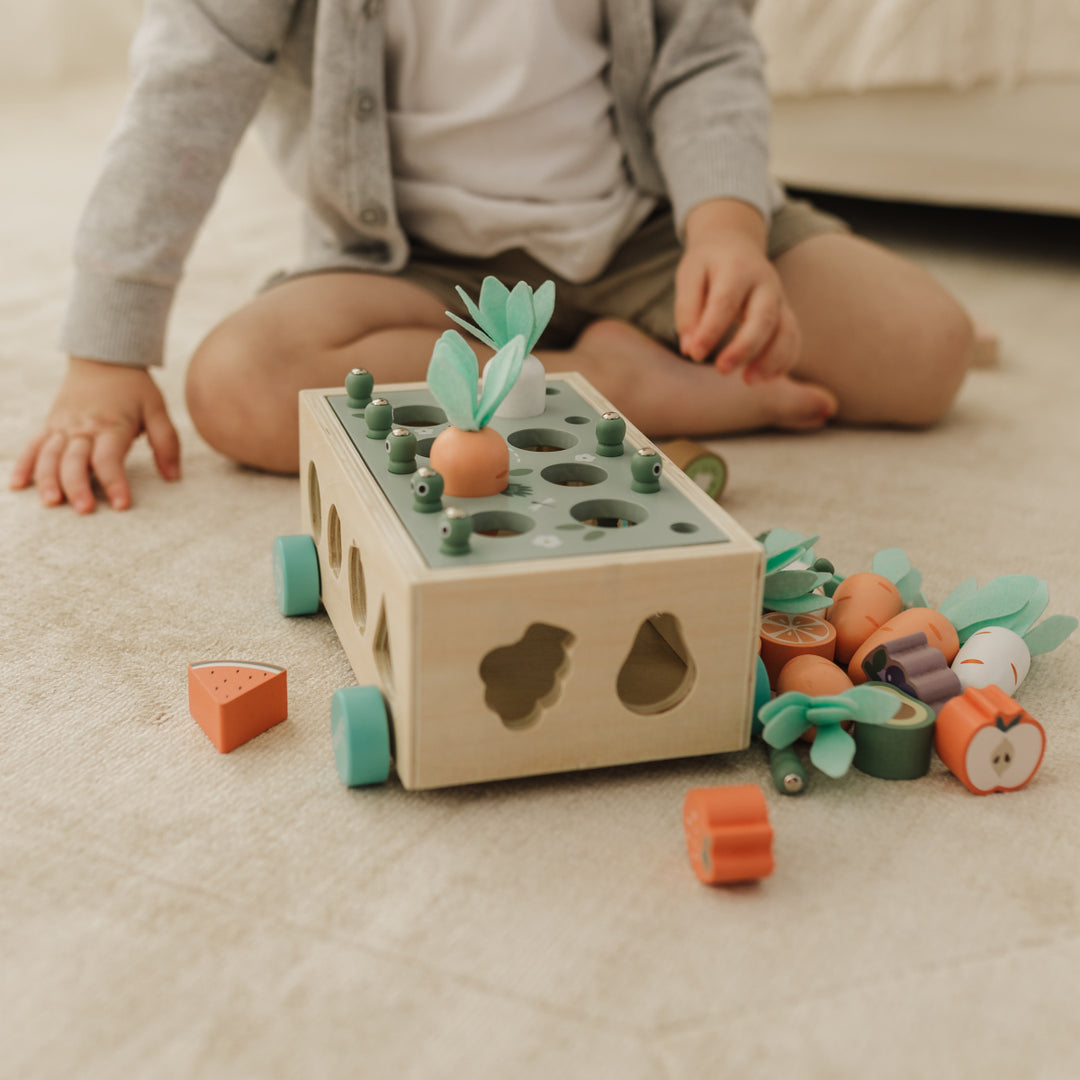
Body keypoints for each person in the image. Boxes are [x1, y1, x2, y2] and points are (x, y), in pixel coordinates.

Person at [10, 0, 974, 514]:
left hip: (644, 231)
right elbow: (186, 87)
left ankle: (626, 361)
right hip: (412, 267)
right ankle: (606, 384)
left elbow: (706, 56)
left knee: (930, 352)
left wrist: (726, 232)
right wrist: (107, 347)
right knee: (240, 386)